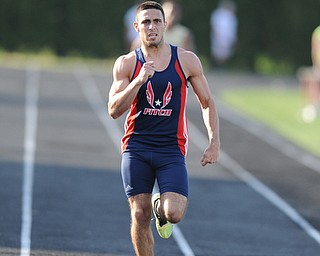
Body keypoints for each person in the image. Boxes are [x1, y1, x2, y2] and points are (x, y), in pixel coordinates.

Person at [108, 1, 220, 255]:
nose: (152, 27)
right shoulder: (126, 64)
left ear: (165, 24)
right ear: (136, 27)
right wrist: (138, 81)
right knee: (139, 213)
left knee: (175, 213)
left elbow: (207, 102)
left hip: (171, 149)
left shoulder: (186, 60)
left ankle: (161, 208)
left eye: (157, 21)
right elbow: (113, 109)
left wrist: (214, 142)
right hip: (136, 146)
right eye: (146, 22)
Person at [130, 0, 195, 51]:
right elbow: (135, 52)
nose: (172, 16)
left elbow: (189, 54)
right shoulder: (148, 33)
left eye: (174, 12)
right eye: (169, 13)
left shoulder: (184, 33)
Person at [297, 25, 320, 122]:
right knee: (311, 79)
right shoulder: (318, 31)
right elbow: (315, 49)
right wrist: (316, 64)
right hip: (318, 64)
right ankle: (312, 105)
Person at [210, 0, 237, 66]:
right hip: (219, 37)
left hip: (226, 38)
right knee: (217, 52)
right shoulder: (217, 14)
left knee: (225, 53)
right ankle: (216, 65)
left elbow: (232, 29)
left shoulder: (231, 17)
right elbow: (215, 26)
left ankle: (223, 65)